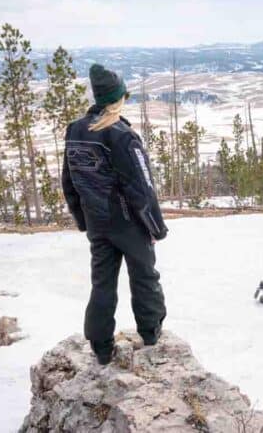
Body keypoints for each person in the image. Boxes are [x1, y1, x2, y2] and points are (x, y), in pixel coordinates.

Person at [61, 63, 168, 365]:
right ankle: (151, 334)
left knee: (102, 284)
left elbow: (69, 181)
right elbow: (142, 188)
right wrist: (156, 228)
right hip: (127, 224)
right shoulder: (122, 135)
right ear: (118, 98)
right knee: (145, 276)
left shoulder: (76, 130)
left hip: (98, 224)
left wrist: (83, 220)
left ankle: (101, 348)